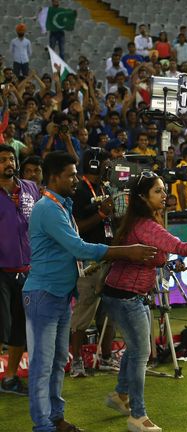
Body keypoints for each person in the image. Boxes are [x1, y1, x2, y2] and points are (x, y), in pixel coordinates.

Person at [23, 151, 156, 432]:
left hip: (58, 296)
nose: (75, 179)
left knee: (58, 361)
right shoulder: (47, 208)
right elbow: (79, 248)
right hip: (43, 296)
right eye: (71, 175)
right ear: (54, 177)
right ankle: (42, 426)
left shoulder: (61, 206)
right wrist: (126, 251)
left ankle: (56, 418)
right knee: (42, 365)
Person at [100, 170, 187, 432]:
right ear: (142, 197)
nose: (165, 195)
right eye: (158, 191)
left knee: (134, 348)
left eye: (164, 190)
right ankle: (138, 417)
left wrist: (169, 262)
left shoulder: (138, 222)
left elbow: (155, 256)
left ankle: (120, 396)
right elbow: (183, 247)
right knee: (141, 353)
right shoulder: (146, 226)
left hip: (120, 293)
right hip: (127, 296)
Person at [68, 148, 121, 378]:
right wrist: (100, 215)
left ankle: (106, 357)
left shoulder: (104, 187)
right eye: (105, 164)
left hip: (107, 255)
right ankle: (77, 361)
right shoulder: (78, 190)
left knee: (110, 310)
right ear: (95, 164)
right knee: (83, 312)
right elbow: (74, 228)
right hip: (88, 259)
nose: (108, 169)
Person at [0, 144, 40, 395]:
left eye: (11, 158)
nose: (8, 163)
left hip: (27, 270)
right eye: (3, 159)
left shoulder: (30, 188)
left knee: (20, 327)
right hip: (1, 272)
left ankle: (10, 378)